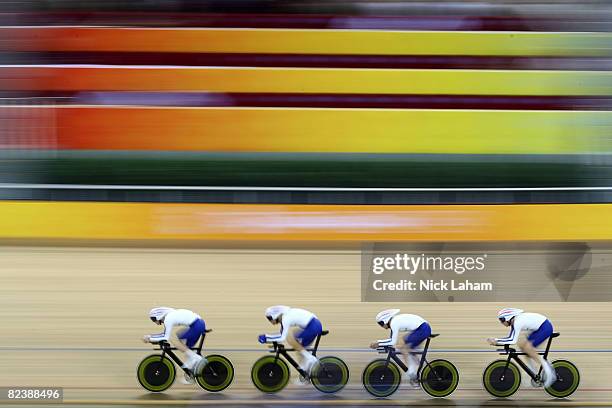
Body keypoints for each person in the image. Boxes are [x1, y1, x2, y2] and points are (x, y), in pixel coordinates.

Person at [486, 308, 556, 387]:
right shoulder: (514, 321)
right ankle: (533, 373)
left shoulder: (517, 322)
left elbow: (512, 340)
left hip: (545, 328)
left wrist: (496, 341)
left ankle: (549, 372)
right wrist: (497, 341)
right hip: (540, 327)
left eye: (502, 320)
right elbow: (510, 338)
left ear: (508, 318)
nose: (501, 322)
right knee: (522, 345)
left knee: (527, 348)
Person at [143, 307, 206, 384]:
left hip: (197, 325)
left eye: (153, 319)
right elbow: (165, 335)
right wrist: (152, 338)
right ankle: (192, 373)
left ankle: (196, 358)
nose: (155, 322)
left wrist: (150, 338)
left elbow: (166, 336)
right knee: (180, 340)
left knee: (174, 340)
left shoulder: (168, 318)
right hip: (198, 324)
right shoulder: (170, 316)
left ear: (158, 315)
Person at [370, 309, 432, 386]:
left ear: (385, 321)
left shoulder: (394, 323)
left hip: (423, 329)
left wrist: (378, 342)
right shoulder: (394, 322)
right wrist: (380, 343)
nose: (381, 326)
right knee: (404, 344)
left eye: (380, 324)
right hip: (423, 328)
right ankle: (418, 368)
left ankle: (412, 373)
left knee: (404, 348)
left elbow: (392, 342)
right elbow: (392, 340)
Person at [258, 305, 321, 377]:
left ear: (275, 315)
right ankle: (305, 373)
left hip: (313, 327)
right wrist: (274, 341)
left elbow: (282, 337)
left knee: (291, 339)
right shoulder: (285, 316)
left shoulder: (286, 318)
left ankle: (310, 359)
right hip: (314, 325)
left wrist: (266, 338)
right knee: (297, 345)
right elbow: (281, 334)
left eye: (269, 318)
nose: (270, 321)